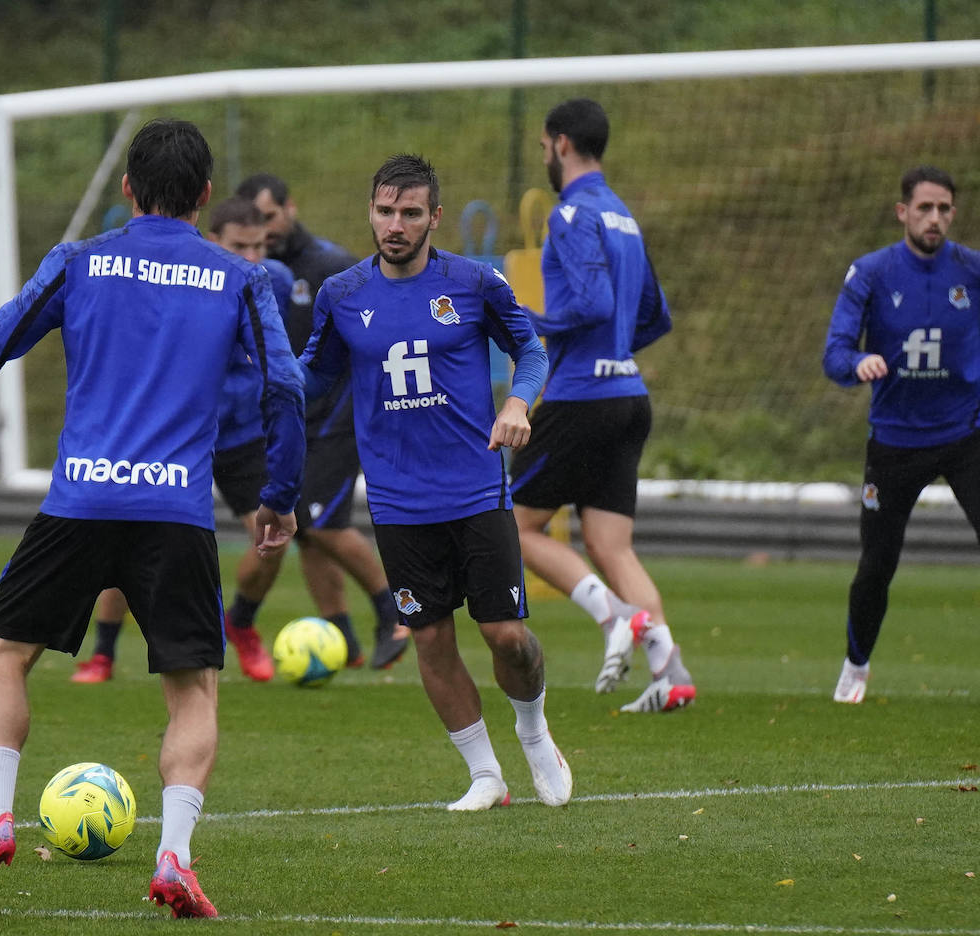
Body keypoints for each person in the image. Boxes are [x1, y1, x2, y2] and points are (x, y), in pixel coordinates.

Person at [0, 118, 306, 920]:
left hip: (80, 499)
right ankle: (173, 857)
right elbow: (287, 388)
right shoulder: (240, 279)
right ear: (204, 197)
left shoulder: (81, 260)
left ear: (128, 188)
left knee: (4, 655)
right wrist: (280, 494)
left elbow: (10, 327)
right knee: (192, 688)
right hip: (175, 510)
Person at [299, 153, 568, 811]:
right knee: (430, 637)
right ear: (371, 212)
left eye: (410, 213)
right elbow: (312, 381)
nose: (395, 224)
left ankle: (533, 731)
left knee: (506, 635)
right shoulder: (342, 294)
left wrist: (516, 403)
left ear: (434, 217)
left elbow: (529, 350)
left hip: (475, 489)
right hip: (396, 500)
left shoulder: (475, 283)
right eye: (385, 211)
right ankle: (485, 775)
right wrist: (254, 385)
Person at [823, 164, 980, 703]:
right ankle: (856, 667)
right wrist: (858, 361)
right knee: (876, 566)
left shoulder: (978, 269)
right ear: (903, 213)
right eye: (924, 208)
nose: (934, 218)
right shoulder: (870, 274)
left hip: (968, 437)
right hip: (894, 442)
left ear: (953, 214)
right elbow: (834, 354)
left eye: (943, 209)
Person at [506, 98, 694, 714]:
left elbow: (589, 304)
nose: (544, 157)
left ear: (560, 144)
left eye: (543, 147)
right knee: (612, 545)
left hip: (580, 397)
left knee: (515, 527)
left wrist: (522, 323)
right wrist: (615, 352)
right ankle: (672, 673)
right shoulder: (624, 217)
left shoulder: (571, 214)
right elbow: (654, 315)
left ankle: (614, 616)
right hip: (628, 395)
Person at [70, 198, 299, 685]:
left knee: (271, 542)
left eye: (260, 246)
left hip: (242, 432)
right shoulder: (183, 274)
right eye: (240, 246)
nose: (252, 256)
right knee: (125, 534)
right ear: (213, 240)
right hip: (177, 427)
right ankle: (103, 652)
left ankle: (240, 623)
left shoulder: (270, 280)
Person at [237, 172, 409, 669]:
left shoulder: (331, 266)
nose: (263, 232)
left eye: (268, 218)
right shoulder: (248, 273)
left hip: (340, 413)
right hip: (289, 422)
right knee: (310, 529)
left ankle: (395, 613)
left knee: (317, 521)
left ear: (290, 208)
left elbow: (376, 336)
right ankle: (342, 639)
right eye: (252, 224)